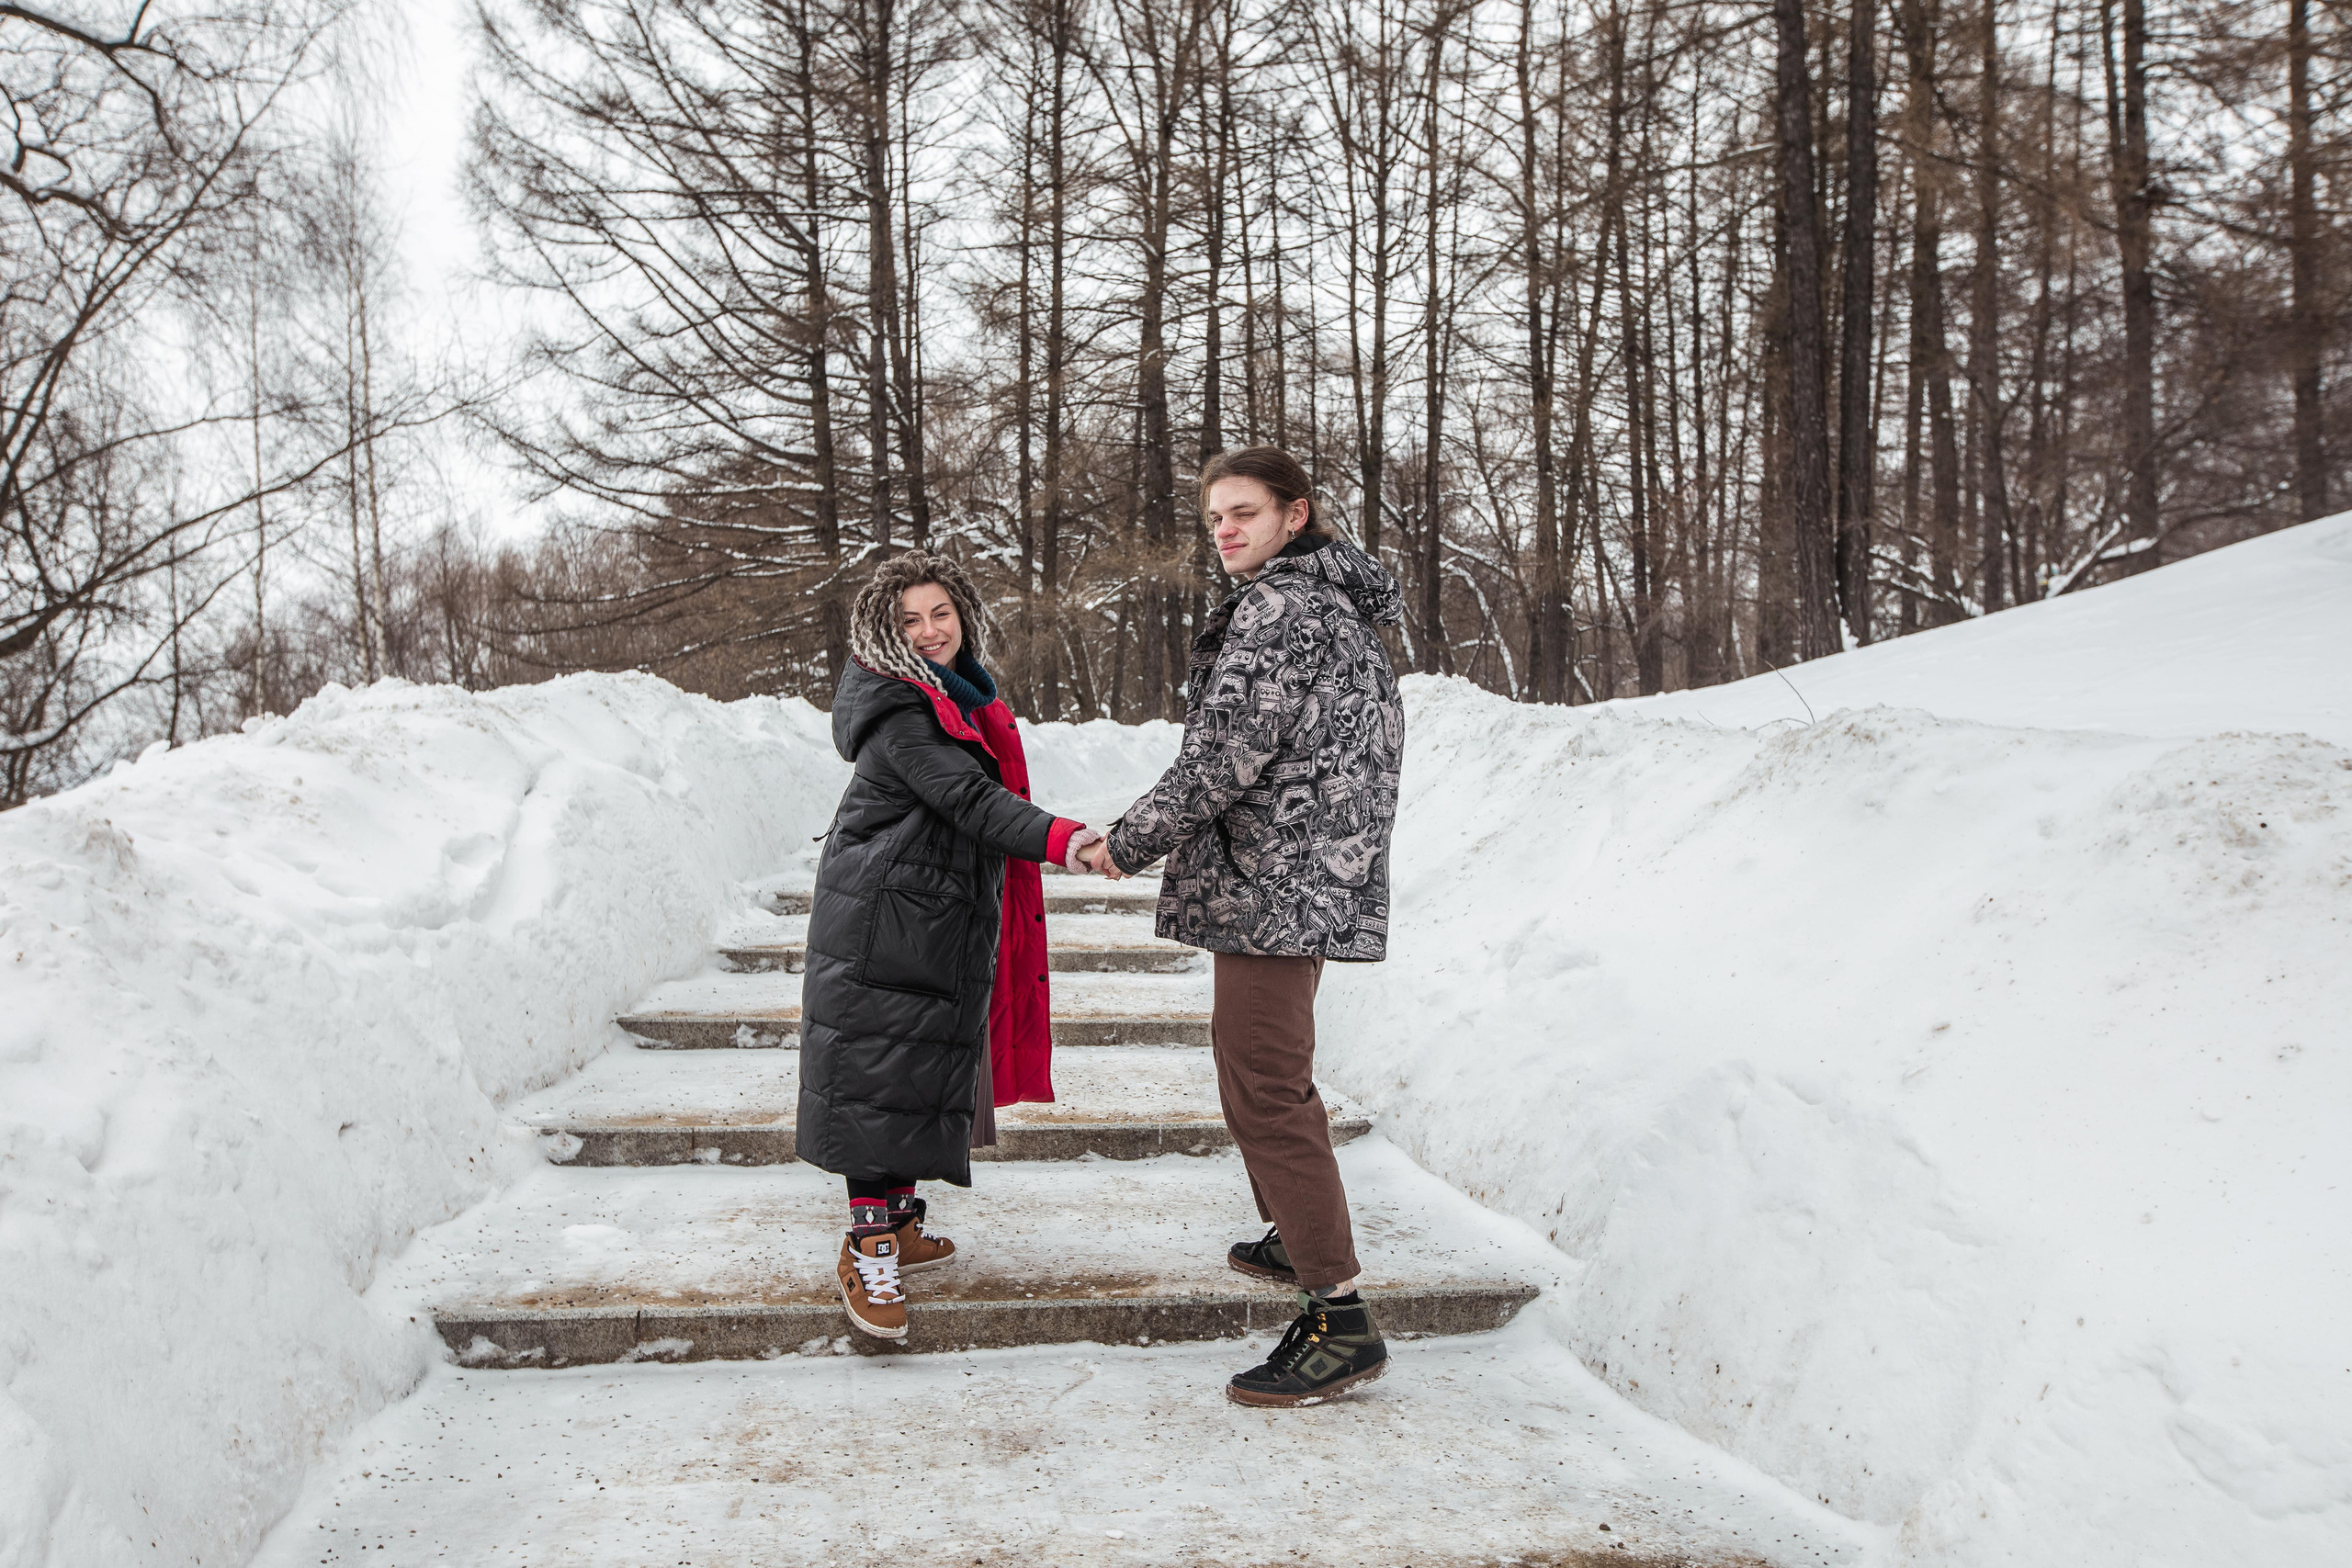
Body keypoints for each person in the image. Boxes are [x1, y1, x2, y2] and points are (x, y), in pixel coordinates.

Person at [1082, 444, 1405, 1407]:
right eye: (1215, 515)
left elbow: (1223, 757)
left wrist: (1126, 841)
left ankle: (1337, 1317)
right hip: (1302, 874)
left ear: (1294, 516)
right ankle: (1290, 1232)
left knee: (1264, 1088)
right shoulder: (1330, 606)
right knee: (1257, 1069)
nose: (1224, 529)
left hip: (1277, 882)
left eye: (1245, 513)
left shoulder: (1279, 612)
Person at [799, 550, 1102, 1341]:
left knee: (914, 1062)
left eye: (941, 613)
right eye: (910, 620)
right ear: (884, 632)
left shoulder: (957, 696)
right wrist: (1064, 840)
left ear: (964, 615)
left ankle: (896, 1222)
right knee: (878, 1071)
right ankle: (867, 1246)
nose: (930, 631)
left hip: (920, 910)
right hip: (882, 918)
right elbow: (970, 798)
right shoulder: (903, 709)